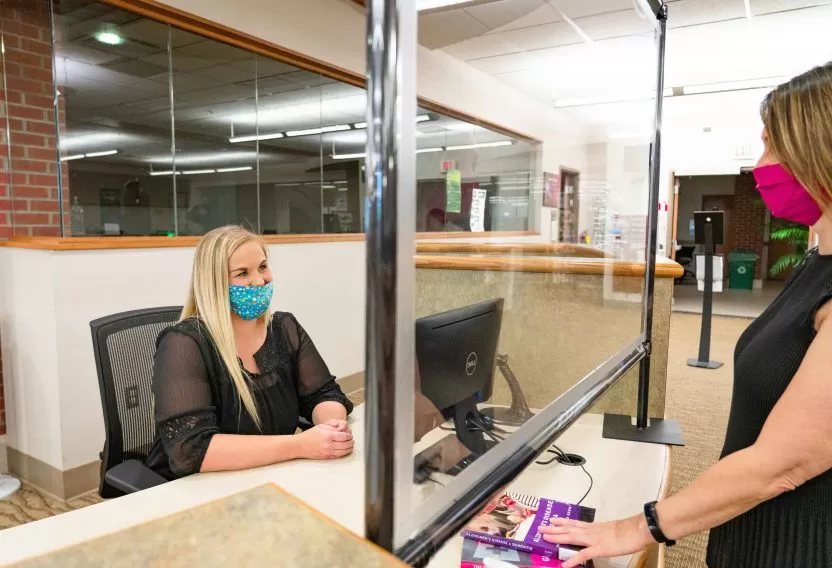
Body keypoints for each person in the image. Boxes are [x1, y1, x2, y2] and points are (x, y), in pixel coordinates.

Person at [540, 62, 832, 568]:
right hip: (749, 523)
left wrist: (636, 528)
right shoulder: (817, 260)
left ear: (818, 148)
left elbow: (781, 466)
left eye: (771, 144)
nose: (760, 164)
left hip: (799, 539)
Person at [145, 226, 354, 480]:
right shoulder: (184, 343)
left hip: (268, 474)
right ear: (215, 284)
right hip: (194, 489)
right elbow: (191, 449)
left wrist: (332, 426)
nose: (259, 280)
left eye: (263, 267)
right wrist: (300, 445)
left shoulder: (284, 328)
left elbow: (324, 393)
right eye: (242, 273)